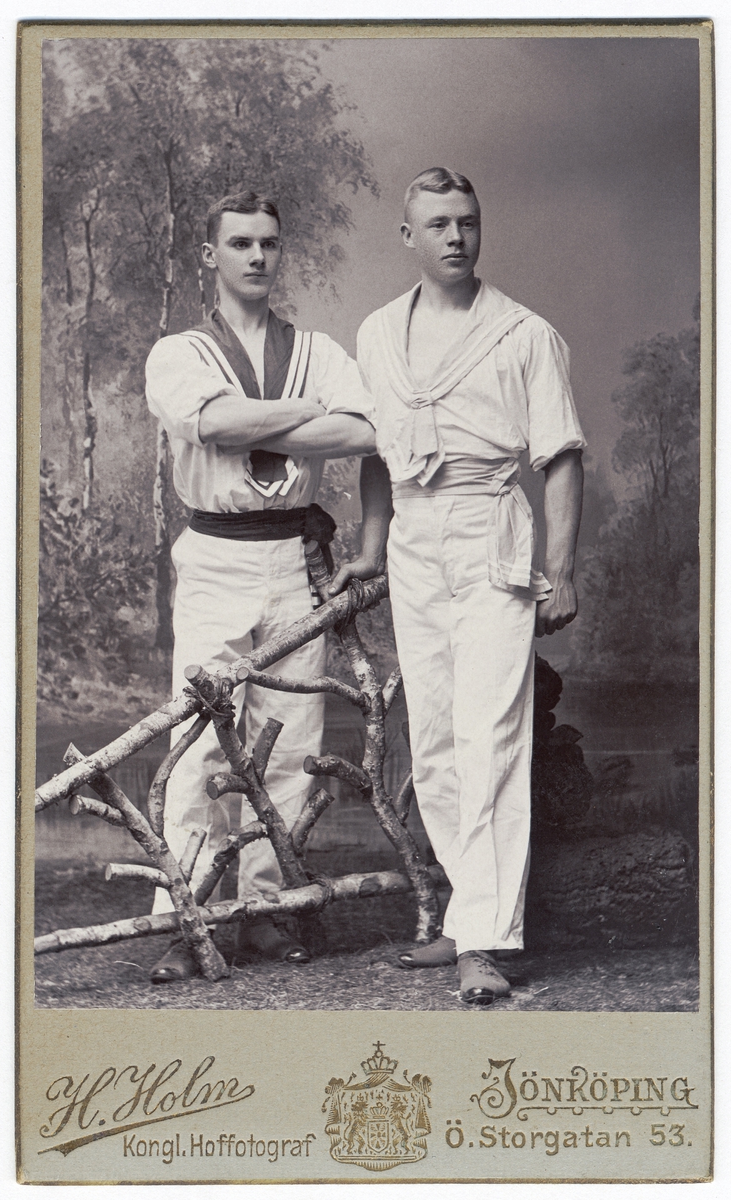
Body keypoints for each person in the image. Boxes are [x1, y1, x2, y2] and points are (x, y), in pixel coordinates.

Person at [331, 168, 585, 1007]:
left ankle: (485, 938)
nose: (455, 237)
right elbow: (376, 451)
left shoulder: (523, 333)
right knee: (434, 737)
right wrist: (372, 547)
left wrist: (563, 570)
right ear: (408, 236)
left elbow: (561, 457)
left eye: (467, 222)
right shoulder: (378, 332)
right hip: (413, 539)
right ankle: (462, 909)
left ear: (481, 229)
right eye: (438, 224)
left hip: (489, 532)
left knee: (491, 736)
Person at [145, 190, 376, 982]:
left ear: (281, 252)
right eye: (240, 243)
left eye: (268, 243)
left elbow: (364, 429)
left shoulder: (316, 348)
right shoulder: (178, 352)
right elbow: (207, 424)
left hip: (292, 559)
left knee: (293, 740)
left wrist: (258, 418)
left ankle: (270, 911)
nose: (256, 256)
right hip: (216, 554)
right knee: (200, 741)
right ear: (210, 255)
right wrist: (306, 414)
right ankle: (189, 917)